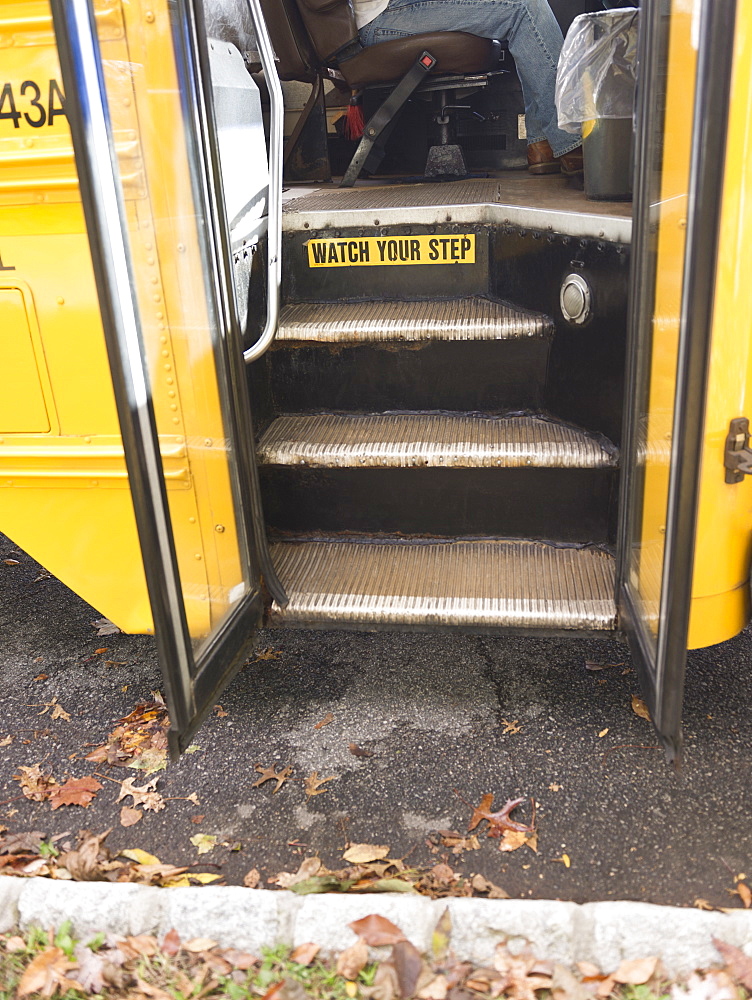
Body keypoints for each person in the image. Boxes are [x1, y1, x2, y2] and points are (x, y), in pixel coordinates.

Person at [353, 0, 583, 174]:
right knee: (525, 7)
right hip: (383, 17)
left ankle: (543, 144)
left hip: (392, 10)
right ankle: (569, 139)